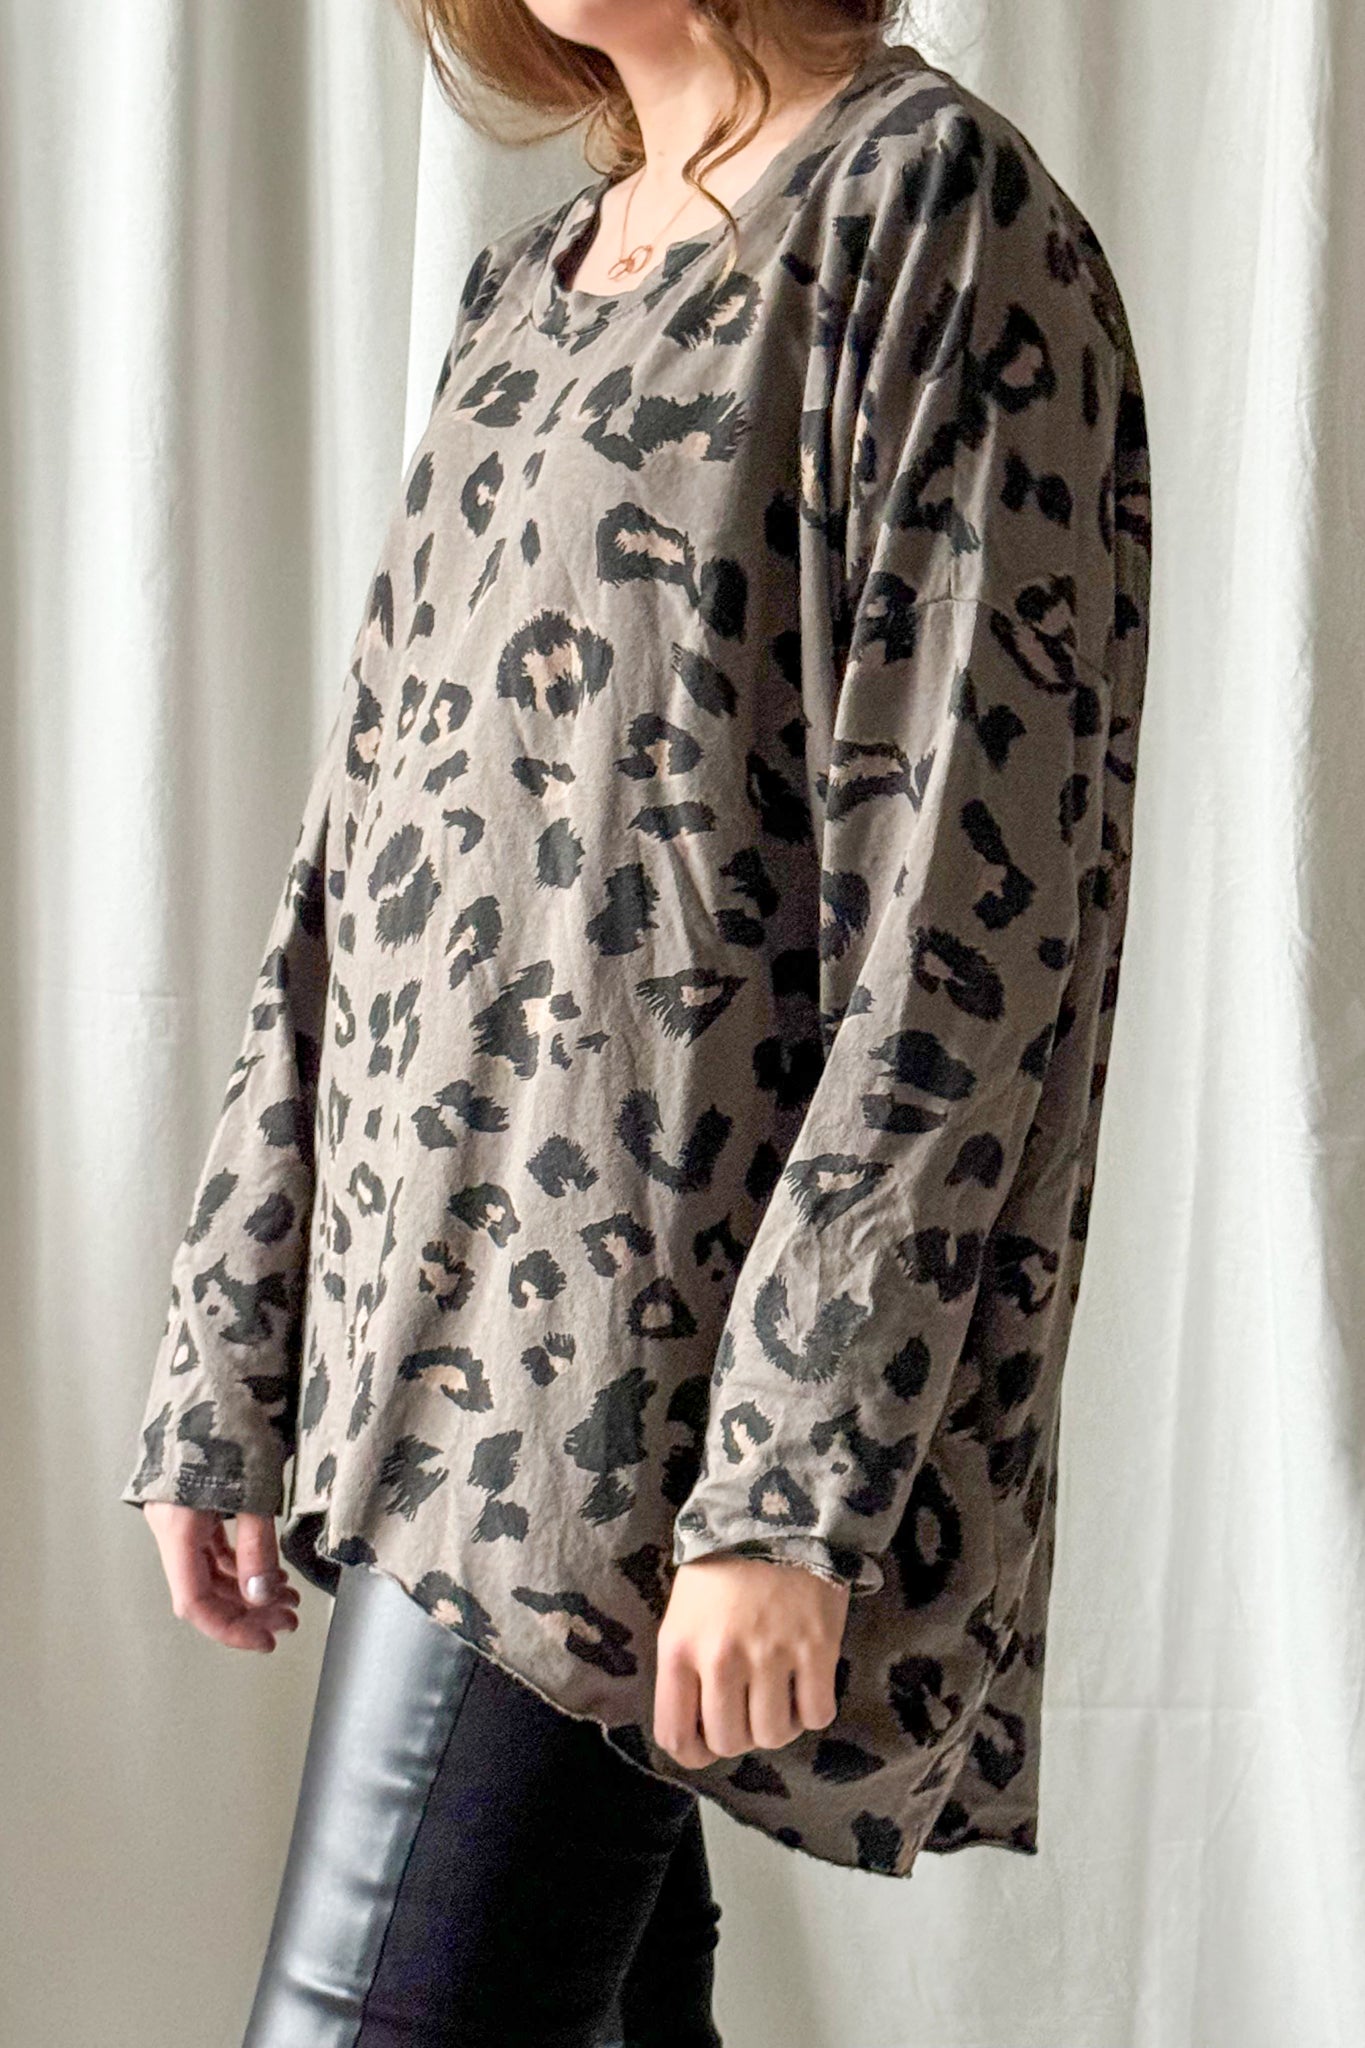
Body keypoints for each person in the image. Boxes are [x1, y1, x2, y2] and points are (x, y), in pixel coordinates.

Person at [120, 1, 1153, 2040]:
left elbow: (970, 920)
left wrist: (789, 1480)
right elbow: (366, 853)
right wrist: (229, 1351)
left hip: (627, 1408)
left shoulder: (922, 215)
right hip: (419, 1355)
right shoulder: (529, 286)